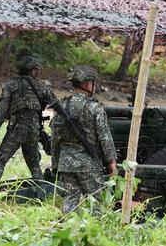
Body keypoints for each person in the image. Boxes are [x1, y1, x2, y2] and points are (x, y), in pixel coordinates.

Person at [50, 65, 117, 213]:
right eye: (93, 83)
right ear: (87, 84)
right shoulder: (95, 108)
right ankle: (94, 232)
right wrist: (111, 161)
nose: (95, 87)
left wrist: (55, 163)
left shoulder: (61, 107)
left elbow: (55, 139)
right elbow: (105, 137)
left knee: (70, 199)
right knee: (97, 202)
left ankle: (67, 230)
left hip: (66, 163)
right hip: (88, 165)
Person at [0, 55, 56, 187]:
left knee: (1, 159)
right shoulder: (40, 86)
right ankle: (41, 187)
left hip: (17, 129)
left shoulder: (11, 85)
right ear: (32, 70)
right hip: (35, 130)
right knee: (33, 162)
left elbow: (3, 109)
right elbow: (56, 104)